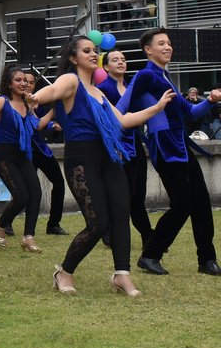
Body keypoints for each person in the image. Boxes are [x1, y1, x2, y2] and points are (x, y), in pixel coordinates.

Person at [29, 36, 173, 296]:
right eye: (87, 51)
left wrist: (158, 107)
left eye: (95, 50)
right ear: (73, 58)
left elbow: (124, 121)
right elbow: (51, 91)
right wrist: (34, 97)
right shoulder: (71, 81)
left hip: (109, 157)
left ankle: (122, 275)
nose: (94, 54)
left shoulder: (99, 93)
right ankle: (64, 271)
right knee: (98, 223)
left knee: (121, 215)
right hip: (81, 160)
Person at [118, 28, 221, 277]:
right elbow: (121, 107)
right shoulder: (146, 75)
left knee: (200, 202)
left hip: (180, 144)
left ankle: (207, 259)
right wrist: (115, 129)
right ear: (148, 50)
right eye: (161, 43)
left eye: (169, 43)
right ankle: (151, 254)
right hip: (165, 148)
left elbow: (189, 113)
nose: (168, 47)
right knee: (182, 204)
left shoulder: (166, 78)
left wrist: (210, 101)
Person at [0, 65, 43, 253]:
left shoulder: (28, 103)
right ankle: (0, 225)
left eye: (25, 80)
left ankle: (29, 237)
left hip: (23, 154)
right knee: (21, 196)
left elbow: (36, 127)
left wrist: (51, 111)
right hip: (4, 155)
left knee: (35, 194)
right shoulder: (2, 102)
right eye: (18, 80)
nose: (23, 83)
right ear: (9, 83)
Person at [97, 48, 154, 249]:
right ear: (106, 66)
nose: (121, 62)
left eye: (123, 59)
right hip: (117, 145)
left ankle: (148, 235)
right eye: (115, 60)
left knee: (138, 193)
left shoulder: (132, 86)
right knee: (124, 194)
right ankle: (116, 232)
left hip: (136, 143)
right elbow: (105, 121)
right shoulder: (103, 89)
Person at [22, 69, 71, 237]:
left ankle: (53, 224)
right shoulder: (15, 102)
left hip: (40, 149)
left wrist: (54, 126)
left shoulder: (40, 102)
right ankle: (6, 224)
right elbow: (36, 124)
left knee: (58, 181)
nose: (27, 84)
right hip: (23, 151)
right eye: (23, 81)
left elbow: (43, 122)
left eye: (30, 82)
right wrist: (54, 111)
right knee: (27, 190)